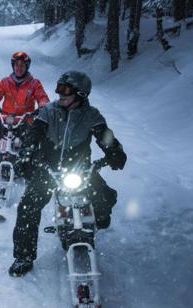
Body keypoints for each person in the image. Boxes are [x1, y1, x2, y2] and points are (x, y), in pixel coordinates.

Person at [9, 71, 127, 277]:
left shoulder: (91, 116)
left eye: (66, 90)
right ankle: (23, 256)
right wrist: (25, 156)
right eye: (58, 88)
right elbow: (32, 135)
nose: (60, 94)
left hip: (80, 169)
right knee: (28, 206)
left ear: (81, 94)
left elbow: (105, 137)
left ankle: (97, 220)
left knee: (104, 197)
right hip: (49, 169)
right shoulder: (48, 112)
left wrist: (115, 153)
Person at [0, 51, 50, 181]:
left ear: (27, 67)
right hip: (5, 120)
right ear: (13, 66)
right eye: (16, 65)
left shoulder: (34, 84)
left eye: (22, 65)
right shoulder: (5, 82)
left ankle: (30, 177)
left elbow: (43, 98)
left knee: (31, 148)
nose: (19, 67)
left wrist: (42, 107)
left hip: (25, 121)